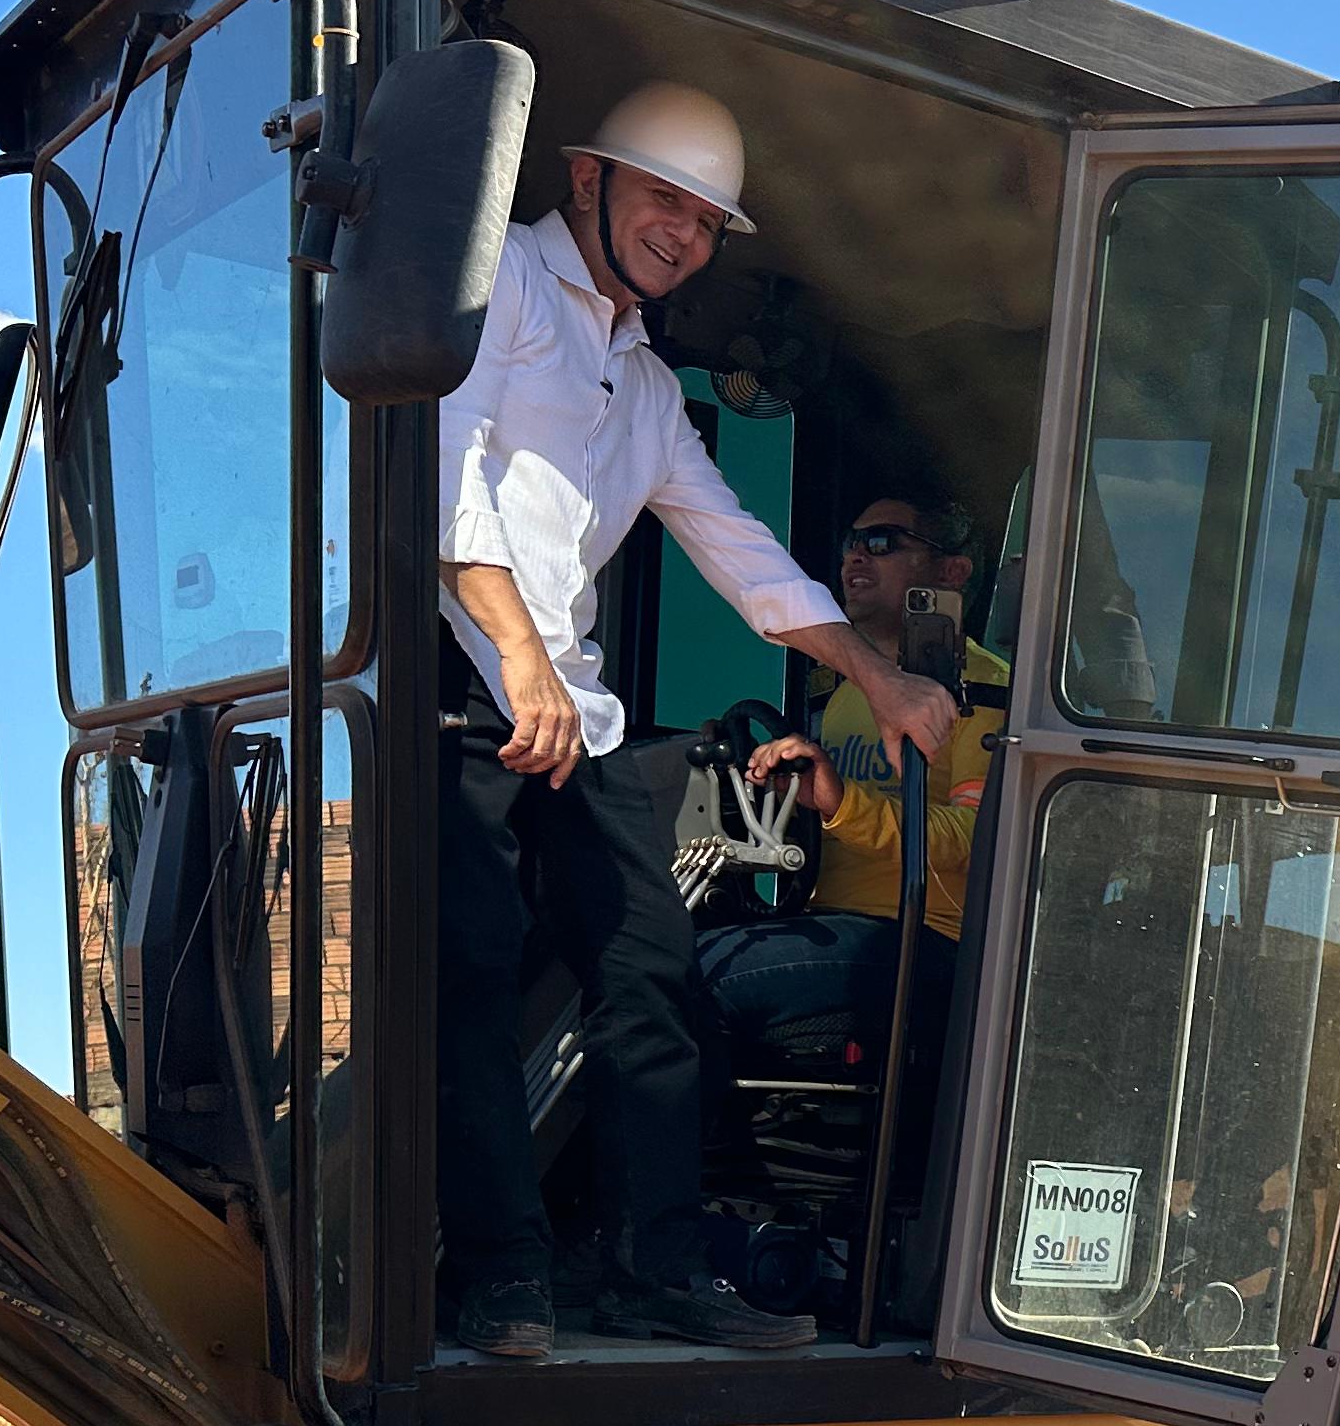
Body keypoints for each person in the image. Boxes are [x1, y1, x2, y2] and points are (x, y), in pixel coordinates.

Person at [433, 82, 958, 1359]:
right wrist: (520, 656)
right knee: (472, 981)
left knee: (649, 979)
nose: (683, 233)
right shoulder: (499, 288)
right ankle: (500, 1280)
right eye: (664, 198)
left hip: (572, 708)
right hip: (466, 690)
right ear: (588, 180)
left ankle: (653, 1269)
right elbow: (441, 477)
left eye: (708, 220)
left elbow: (738, 548)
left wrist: (880, 677)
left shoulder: (646, 384)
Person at [697, 491, 1010, 1076]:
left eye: (882, 542)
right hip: (825, 925)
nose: (856, 557)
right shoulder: (840, 694)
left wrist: (842, 802)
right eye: (851, 542)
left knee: (695, 980)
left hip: (922, 942)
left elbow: (977, 841)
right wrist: (754, 791)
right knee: (651, 961)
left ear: (951, 571)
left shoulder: (984, 692)